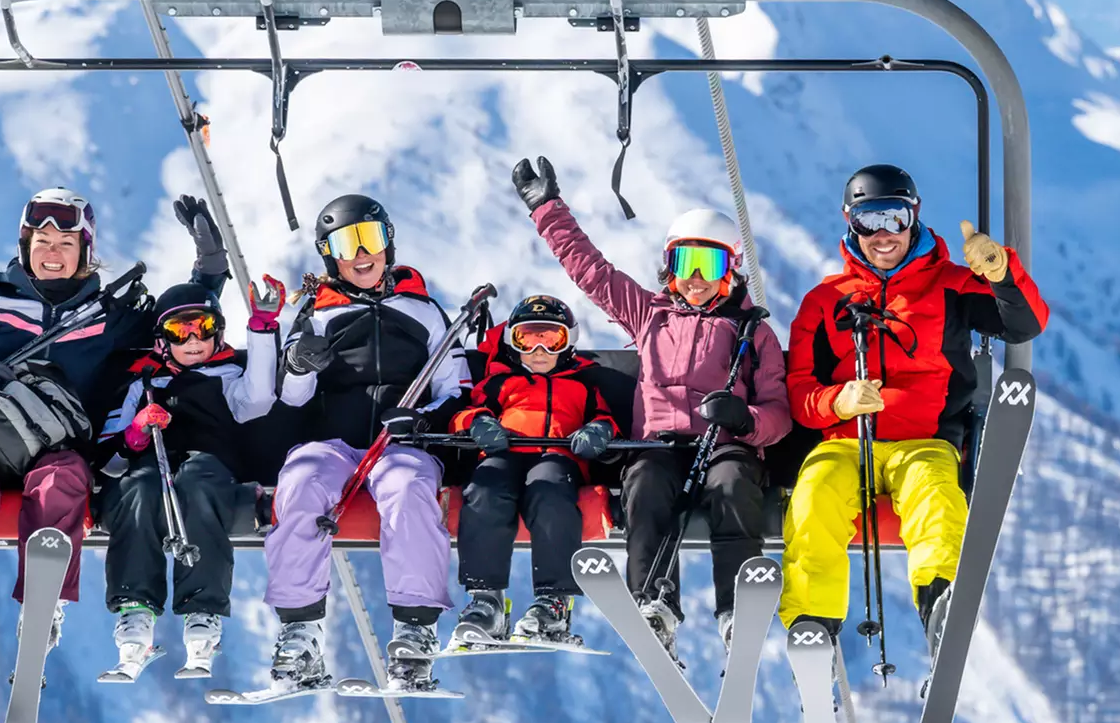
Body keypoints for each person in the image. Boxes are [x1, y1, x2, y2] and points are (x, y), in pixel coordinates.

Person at [0, 190, 229, 691]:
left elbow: (180, 326)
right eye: (41, 240)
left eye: (65, 242)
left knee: (61, 483)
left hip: (58, 448)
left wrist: (210, 268)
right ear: (25, 244)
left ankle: (41, 608)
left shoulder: (107, 315)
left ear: (85, 251)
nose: (51, 251)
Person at [513, 157, 791, 656]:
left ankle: (734, 611)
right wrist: (547, 210)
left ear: (731, 270)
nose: (696, 279)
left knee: (732, 488)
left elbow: (777, 414)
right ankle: (654, 603)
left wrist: (744, 420)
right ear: (669, 269)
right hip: (657, 445)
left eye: (710, 266)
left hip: (723, 445)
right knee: (643, 486)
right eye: (685, 265)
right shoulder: (650, 315)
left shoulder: (754, 332)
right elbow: (592, 272)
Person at [779, 164, 1049, 653]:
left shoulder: (952, 285)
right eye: (868, 222)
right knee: (813, 496)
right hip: (845, 444)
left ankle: (942, 604)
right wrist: (837, 401)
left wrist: (1003, 273)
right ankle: (811, 623)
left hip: (924, 442)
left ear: (914, 218)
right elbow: (798, 392)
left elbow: (1023, 325)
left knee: (937, 500)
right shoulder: (824, 302)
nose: (883, 236)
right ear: (849, 223)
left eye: (894, 219)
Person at [263, 195, 468, 692]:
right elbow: (291, 399)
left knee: (408, 487)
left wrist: (419, 420)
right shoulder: (315, 314)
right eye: (345, 243)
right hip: (333, 443)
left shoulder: (422, 312)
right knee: (303, 481)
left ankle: (414, 632)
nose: (361, 254)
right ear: (328, 254)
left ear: (388, 241)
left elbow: (454, 386)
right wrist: (297, 365)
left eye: (370, 240)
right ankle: (300, 631)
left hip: (402, 444)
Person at [94, 275, 284, 679]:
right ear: (162, 340)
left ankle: (202, 611)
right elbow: (108, 460)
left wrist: (263, 328)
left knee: (198, 482)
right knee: (139, 489)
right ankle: (135, 612)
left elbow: (259, 399)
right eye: (181, 331)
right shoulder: (142, 383)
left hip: (209, 469)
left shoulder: (229, 376)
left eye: (205, 327)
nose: (194, 339)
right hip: (150, 470)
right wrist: (135, 433)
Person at [451, 294, 619, 645]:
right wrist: (478, 423)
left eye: (551, 339)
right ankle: (486, 598)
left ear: (567, 341)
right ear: (513, 342)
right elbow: (464, 412)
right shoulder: (501, 382)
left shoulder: (582, 383)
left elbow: (604, 417)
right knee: (485, 490)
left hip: (558, 457)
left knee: (549, 491)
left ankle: (553, 600)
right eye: (527, 339)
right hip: (504, 453)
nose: (539, 350)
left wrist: (599, 431)